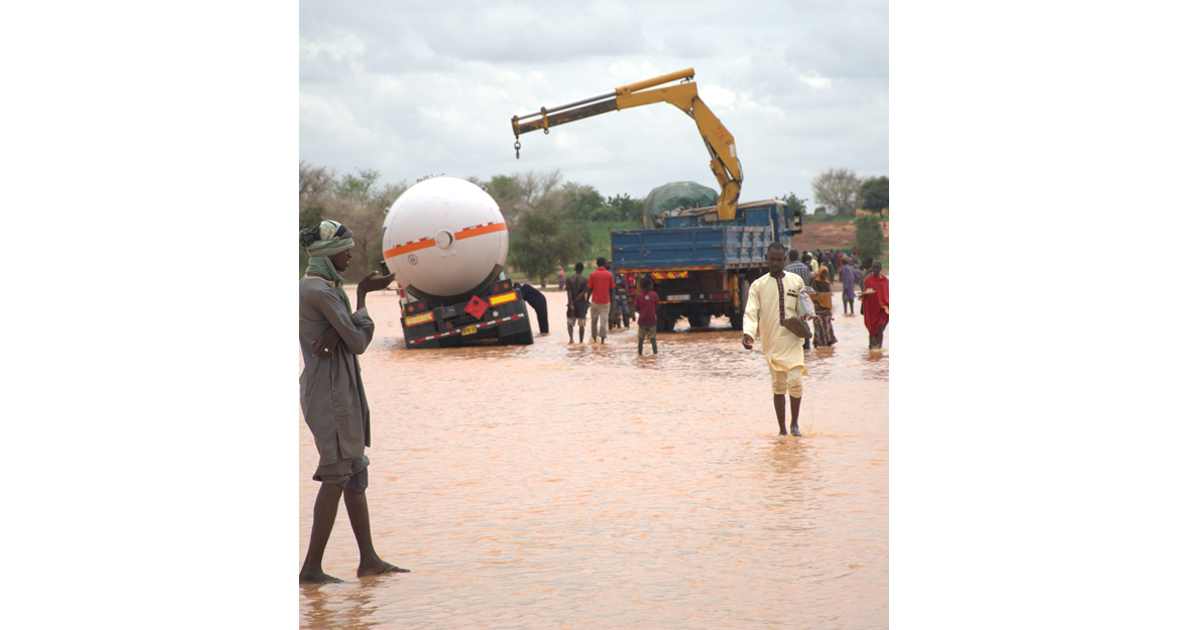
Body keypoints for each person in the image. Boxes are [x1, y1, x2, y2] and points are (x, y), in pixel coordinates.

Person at [298, 220, 407, 584]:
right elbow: (359, 342)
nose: (350, 254)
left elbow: (346, 335)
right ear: (329, 253)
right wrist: (362, 298)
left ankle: (369, 560)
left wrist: (338, 328)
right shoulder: (321, 291)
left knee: (354, 469)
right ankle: (311, 570)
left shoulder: (324, 288)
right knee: (335, 472)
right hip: (330, 393)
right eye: (345, 249)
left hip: (340, 389)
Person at [741, 242, 816, 437]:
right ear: (766, 259)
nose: (774, 263)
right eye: (771, 259)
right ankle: (782, 429)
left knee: (795, 381)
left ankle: (794, 425)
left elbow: (803, 307)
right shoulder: (758, 285)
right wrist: (748, 334)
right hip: (772, 342)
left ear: (784, 260)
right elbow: (751, 312)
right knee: (778, 386)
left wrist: (808, 312)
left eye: (778, 259)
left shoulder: (796, 281)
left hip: (792, 339)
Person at [586, 257, 615, 343]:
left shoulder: (593, 274)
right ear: (604, 264)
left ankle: (594, 339)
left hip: (595, 301)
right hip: (606, 302)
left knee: (594, 322)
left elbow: (589, 289)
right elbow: (612, 289)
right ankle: (602, 341)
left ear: (597, 264)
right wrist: (611, 301)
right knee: (603, 322)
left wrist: (587, 300)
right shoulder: (609, 275)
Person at [862, 261, 889, 350]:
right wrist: (865, 294)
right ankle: (870, 346)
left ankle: (879, 348)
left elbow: (886, 293)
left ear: (881, 269)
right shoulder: (868, 280)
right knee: (872, 328)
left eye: (877, 268)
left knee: (880, 328)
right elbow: (865, 292)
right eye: (874, 268)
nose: (875, 269)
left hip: (882, 308)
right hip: (872, 307)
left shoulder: (884, 280)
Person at [810, 267, 838, 347]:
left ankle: (822, 342)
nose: (824, 275)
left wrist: (830, 309)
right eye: (822, 273)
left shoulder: (827, 282)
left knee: (827, 325)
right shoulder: (815, 282)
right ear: (819, 273)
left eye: (825, 273)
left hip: (826, 308)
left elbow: (829, 298)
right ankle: (823, 343)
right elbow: (812, 294)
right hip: (817, 307)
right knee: (818, 325)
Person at [632, 277, 660, 355]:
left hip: (642, 320)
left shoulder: (638, 295)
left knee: (641, 339)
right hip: (652, 320)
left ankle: (640, 355)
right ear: (649, 286)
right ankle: (655, 354)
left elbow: (636, 308)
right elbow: (657, 306)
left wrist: (642, 312)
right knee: (653, 339)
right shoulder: (654, 294)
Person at [564, 262, 589, 343]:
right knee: (581, 324)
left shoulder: (569, 278)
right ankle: (581, 342)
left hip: (571, 303)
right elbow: (583, 293)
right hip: (581, 304)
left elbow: (569, 291)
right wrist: (575, 301)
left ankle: (571, 339)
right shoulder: (585, 280)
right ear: (582, 269)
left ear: (575, 269)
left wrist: (571, 303)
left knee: (570, 322)